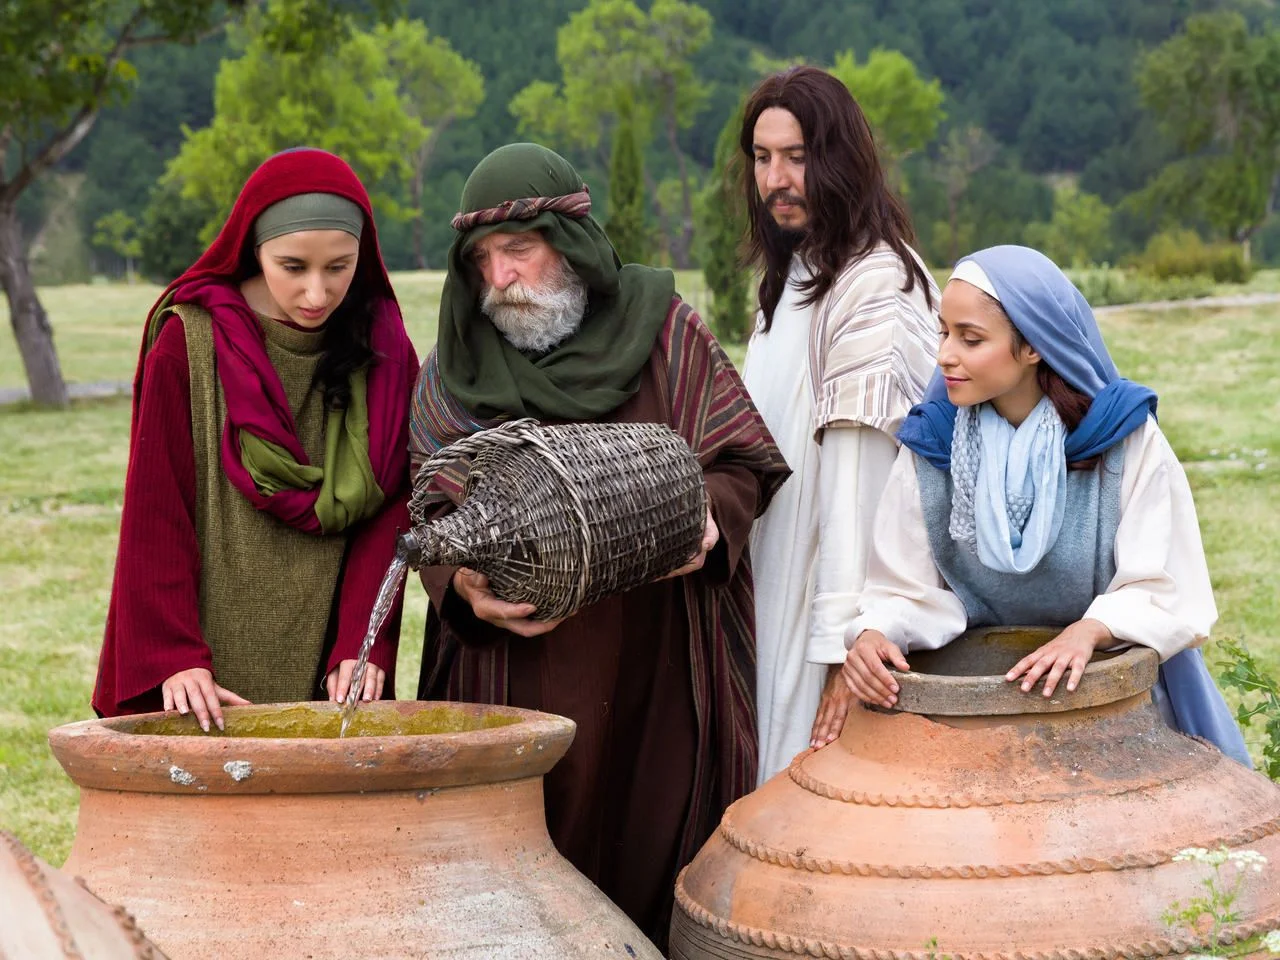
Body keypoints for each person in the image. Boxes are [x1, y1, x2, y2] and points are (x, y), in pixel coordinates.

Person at [410, 142, 789, 946]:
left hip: (656, 662)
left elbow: (743, 459)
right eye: (482, 261)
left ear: (572, 243)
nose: (500, 278)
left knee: (653, 852)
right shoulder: (458, 365)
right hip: (513, 663)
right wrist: (464, 588)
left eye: (519, 250)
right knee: (517, 884)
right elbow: (428, 502)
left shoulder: (666, 334)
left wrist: (709, 520)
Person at [842, 244, 1250, 766]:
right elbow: (906, 585)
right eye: (943, 332)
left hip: (1113, 701)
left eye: (971, 339)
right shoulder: (933, 446)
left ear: (1034, 347)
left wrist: (1090, 630)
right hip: (978, 713)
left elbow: (1163, 582)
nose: (945, 354)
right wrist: (878, 630)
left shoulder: (1122, 439)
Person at [92, 148, 419, 731]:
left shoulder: (385, 354)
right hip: (201, 667)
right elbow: (156, 507)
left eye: (339, 267)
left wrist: (359, 642)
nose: (317, 294)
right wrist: (174, 654)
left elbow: (391, 505)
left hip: (329, 665)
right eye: (292, 266)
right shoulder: (185, 342)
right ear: (254, 249)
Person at [738, 66, 940, 784]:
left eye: (797, 157)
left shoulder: (876, 285)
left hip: (826, 618)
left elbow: (864, 496)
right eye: (763, 159)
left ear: (840, 158)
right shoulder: (792, 280)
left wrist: (843, 657)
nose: (777, 179)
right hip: (768, 586)